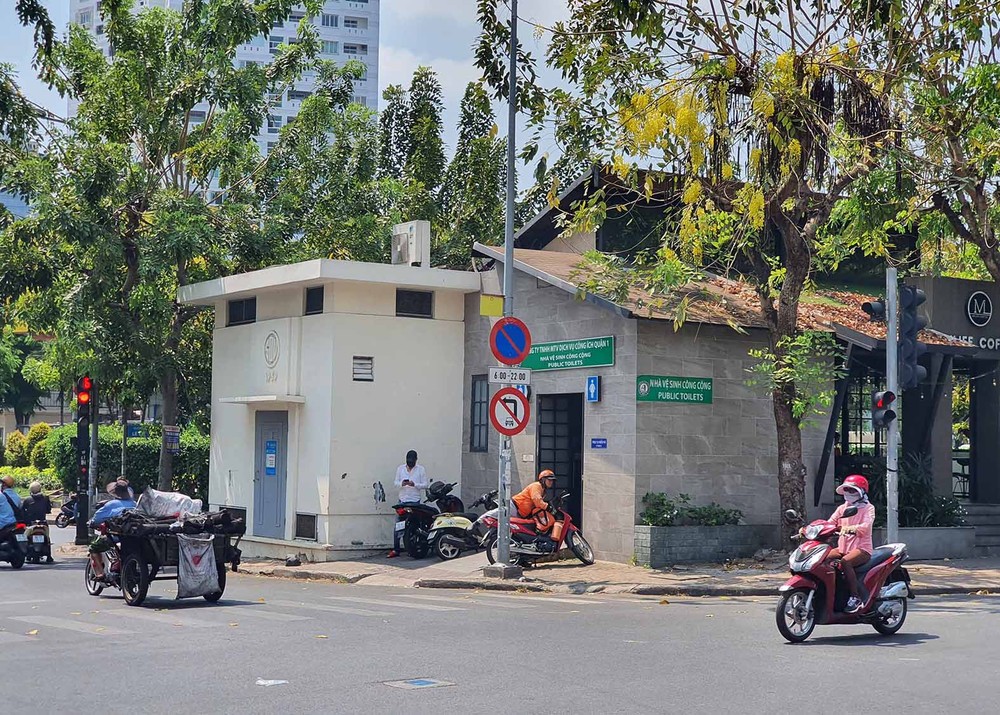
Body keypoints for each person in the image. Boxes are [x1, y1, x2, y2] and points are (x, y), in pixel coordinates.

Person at [827, 474, 875, 614]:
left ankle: (855, 597)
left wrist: (850, 529)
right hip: (843, 547)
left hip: (862, 549)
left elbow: (866, 526)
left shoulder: (868, 508)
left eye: (852, 490)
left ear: (861, 491)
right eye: (846, 490)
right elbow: (830, 522)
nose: (848, 493)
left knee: (845, 562)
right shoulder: (842, 508)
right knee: (824, 557)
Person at [388, 450, 429, 558]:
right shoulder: (400, 469)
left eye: (412, 460)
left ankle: (414, 547)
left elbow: (425, 484)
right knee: (398, 525)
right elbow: (395, 483)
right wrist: (402, 483)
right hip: (402, 501)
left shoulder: (421, 469)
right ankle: (396, 549)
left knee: (415, 525)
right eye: (408, 460)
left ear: (416, 460)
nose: (410, 462)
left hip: (414, 501)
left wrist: (414, 484)